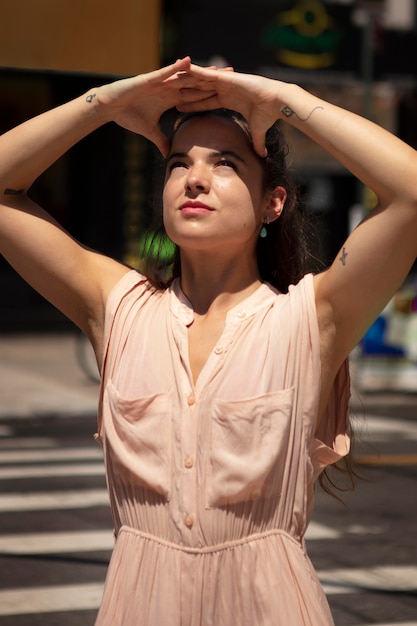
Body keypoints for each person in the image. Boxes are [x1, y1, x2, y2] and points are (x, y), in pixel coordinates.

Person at [1, 56, 416, 625]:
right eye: (177, 164)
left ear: (273, 202)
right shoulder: (118, 309)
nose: (194, 179)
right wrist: (106, 103)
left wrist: (283, 98)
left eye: (224, 164)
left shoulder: (309, 319)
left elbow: (412, 195)